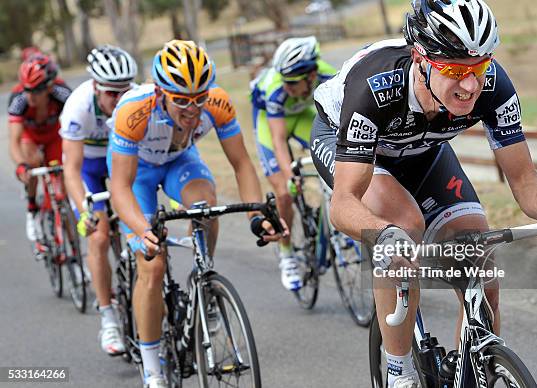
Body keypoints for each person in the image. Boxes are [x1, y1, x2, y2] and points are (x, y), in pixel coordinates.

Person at [309, 0, 537, 387]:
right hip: (357, 152)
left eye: (479, 67)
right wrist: (383, 235)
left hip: (423, 151)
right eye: (455, 71)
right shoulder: (374, 88)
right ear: (421, 59)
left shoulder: (494, 86)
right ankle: (399, 371)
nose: (471, 85)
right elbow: (343, 204)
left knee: (479, 254)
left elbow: (525, 179)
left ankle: (472, 369)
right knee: (404, 224)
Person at [108, 40, 286, 388]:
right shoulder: (135, 110)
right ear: (160, 92)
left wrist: (256, 216)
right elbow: (120, 187)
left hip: (180, 164)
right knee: (153, 263)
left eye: (198, 98)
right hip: (138, 176)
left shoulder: (217, 103)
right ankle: (153, 368)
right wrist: (142, 230)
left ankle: (203, 280)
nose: (192, 108)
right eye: (182, 100)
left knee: (205, 205)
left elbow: (241, 165)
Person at [60, 45, 138, 356]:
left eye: (124, 91)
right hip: (90, 170)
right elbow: (72, 170)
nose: (119, 100)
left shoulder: (138, 100)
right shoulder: (78, 106)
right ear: (95, 87)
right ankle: (108, 317)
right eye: (111, 93)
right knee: (100, 236)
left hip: (122, 161)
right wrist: (84, 211)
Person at [250, 36, 336, 291]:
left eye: (293, 82)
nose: (287, 87)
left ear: (311, 75)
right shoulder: (276, 90)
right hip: (271, 123)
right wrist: (290, 176)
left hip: (302, 115)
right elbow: (278, 141)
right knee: (285, 192)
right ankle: (286, 254)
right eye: (285, 81)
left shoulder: (329, 77)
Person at [8, 53, 72, 241]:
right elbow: (14, 141)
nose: (29, 96)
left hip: (54, 136)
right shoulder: (18, 99)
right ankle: (32, 208)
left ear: (49, 87)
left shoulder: (62, 93)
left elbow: (77, 125)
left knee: (62, 193)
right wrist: (21, 165)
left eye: (35, 91)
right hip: (31, 138)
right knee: (32, 161)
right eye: (26, 89)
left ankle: (74, 254)